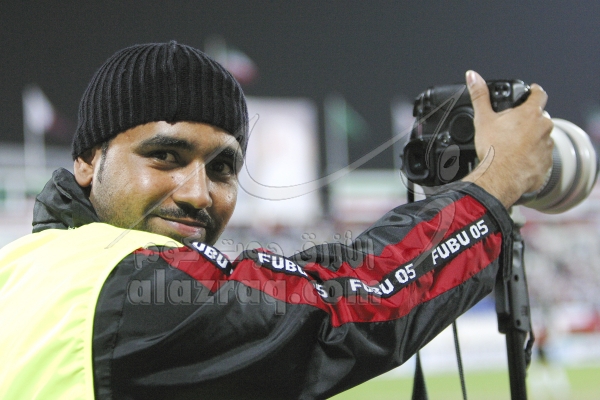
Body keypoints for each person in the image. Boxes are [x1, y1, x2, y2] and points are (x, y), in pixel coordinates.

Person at [0, 41, 553, 399]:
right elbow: (343, 302)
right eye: (164, 155)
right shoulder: (121, 288)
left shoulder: (21, 269)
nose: (198, 194)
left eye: (222, 168)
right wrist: (493, 188)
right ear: (87, 161)